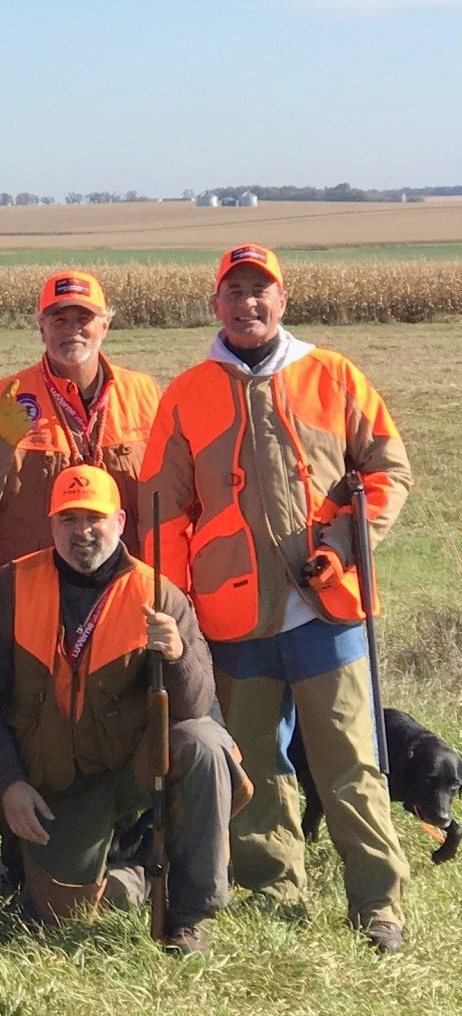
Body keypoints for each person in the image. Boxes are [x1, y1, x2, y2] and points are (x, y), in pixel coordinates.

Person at [140, 244, 412, 951]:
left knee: (350, 759)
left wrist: (349, 541)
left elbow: (387, 470)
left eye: (259, 291)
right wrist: (175, 602)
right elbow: (161, 512)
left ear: (281, 300)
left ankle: (377, 904)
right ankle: (271, 888)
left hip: (328, 608)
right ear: (215, 305)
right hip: (231, 614)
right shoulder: (186, 392)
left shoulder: (332, 374)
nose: (247, 303)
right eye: (233, 291)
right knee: (253, 766)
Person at [0, 465, 245, 953]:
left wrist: (177, 656)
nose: (81, 532)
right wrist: (10, 782)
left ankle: (190, 912)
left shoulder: (159, 595)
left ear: (120, 520)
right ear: (51, 525)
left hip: (134, 767)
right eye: (67, 519)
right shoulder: (11, 587)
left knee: (203, 744)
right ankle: (145, 877)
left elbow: (197, 706)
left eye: (94, 518)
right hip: (56, 783)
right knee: (59, 915)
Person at [0, 269, 160, 617]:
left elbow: (170, 503)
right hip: (23, 602)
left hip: (123, 597)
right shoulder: (2, 400)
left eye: (83, 318)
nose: (72, 330)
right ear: (41, 328)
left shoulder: (144, 395)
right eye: (59, 320)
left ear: (105, 325)